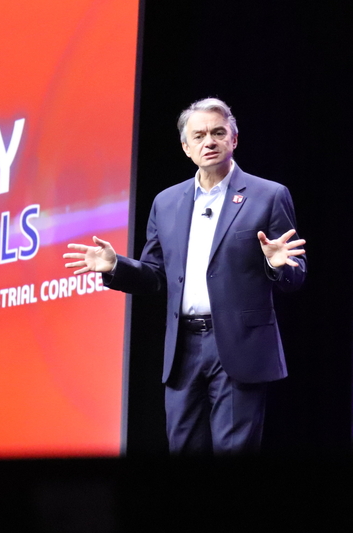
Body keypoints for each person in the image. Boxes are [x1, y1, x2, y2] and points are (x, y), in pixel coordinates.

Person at [64, 97, 306, 454]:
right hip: (184, 349)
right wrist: (117, 267)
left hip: (239, 346)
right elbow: (155, 275)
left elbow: (296, 277)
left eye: (218, 133)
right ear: (186, 147)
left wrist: (276, 264)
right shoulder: (166, 202)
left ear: (234, 139)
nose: (209, 141)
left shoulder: (268, 195)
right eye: (199, 135)